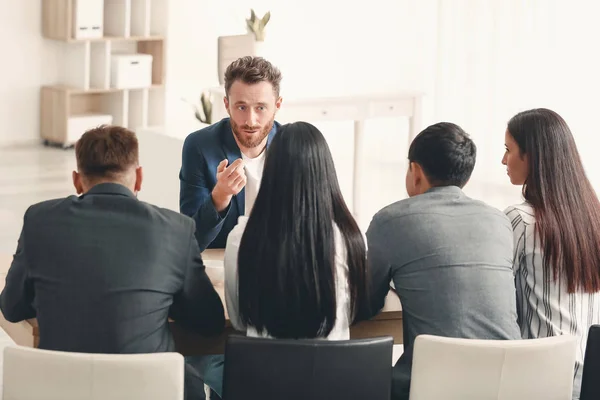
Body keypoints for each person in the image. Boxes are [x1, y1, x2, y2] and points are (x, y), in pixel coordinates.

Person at [0, 125, 225, 400]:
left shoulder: (38, 220)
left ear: (77, 181)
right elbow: (210, 322)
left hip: (60, 390)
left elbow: (12, 307)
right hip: (149, 392)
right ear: (139, 178)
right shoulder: (176, 229)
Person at [194, 121, 373, 397]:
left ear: (271, 171)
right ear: (327, 171)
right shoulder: (351, 238)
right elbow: (351, 314)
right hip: (333, 388)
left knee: (201, 362)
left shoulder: (243, 236)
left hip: (264, 388)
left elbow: (241, 320)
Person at [366, 122, 521, 400]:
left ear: (415, 171)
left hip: (432, 386)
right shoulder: (498, 220)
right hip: (506, 383)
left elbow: (367, 303)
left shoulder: (390, 220)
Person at [502, 108, 600, 400]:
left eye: (508, 150)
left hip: (541, 379)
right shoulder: (593, 218)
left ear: (530, 156)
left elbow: (494, 296)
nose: (503, 160)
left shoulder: (521, 219)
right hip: (588, 377)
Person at [179, 56, 283, 251]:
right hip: (222, 264)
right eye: (241, 107)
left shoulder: (291, 145)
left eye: (260, 108)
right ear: (227, 105)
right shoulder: (199, 146)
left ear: (277, 105)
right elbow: (191, 241)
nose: (250, 120)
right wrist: (220, 196)